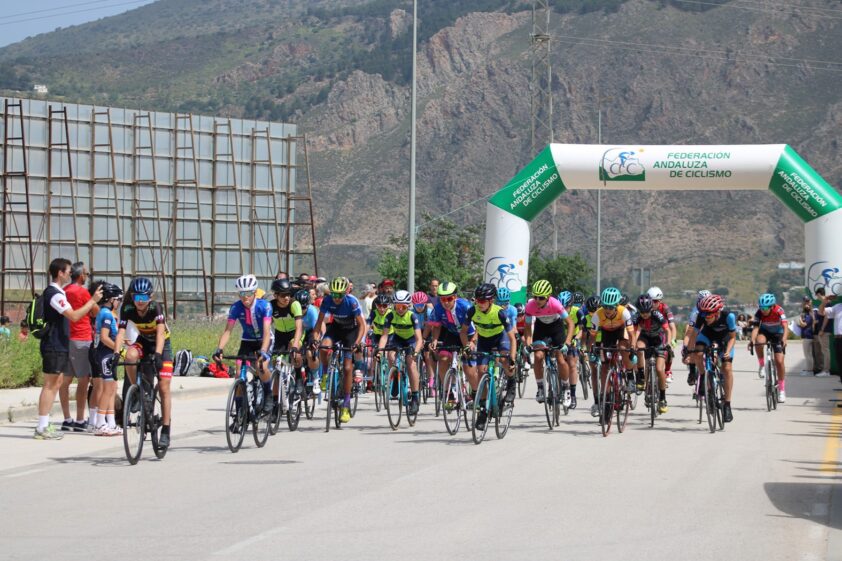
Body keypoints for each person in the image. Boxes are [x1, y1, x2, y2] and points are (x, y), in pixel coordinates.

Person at [33, 258, 103, 440]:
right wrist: (92, 301)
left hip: (60, 344)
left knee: (56, 384)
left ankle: (44, 425)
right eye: (68, 271)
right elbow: (73, 316)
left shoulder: (59, 292)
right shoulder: (55, 294)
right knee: (50, 385)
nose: (70, 274)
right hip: (54, 344)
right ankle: (42, 427)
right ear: (60, 273)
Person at [111, 277, 175, 449]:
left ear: (150, 297)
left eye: (144, 298)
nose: (140, 302)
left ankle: (166, 430)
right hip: (144, 341)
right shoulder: (127, 308)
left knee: (163, 386)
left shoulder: (156, 308)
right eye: (136, 298)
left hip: (162, 344)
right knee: (130, 356)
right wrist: (116, 353)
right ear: (132, 297)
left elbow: (161, 335)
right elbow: (120, 333)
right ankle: (136, 391)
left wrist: (159, 356)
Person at [213, 274, 276, 417]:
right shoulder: (236, 307)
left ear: (254, 292)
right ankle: (240, 412)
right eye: (241, 294)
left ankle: (268, 395)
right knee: (238, 373)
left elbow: (267, 332)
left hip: (264, 340)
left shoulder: (264, 306)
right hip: (247, 340)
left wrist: (264, 351)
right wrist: (219, 349)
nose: (245, 297)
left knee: (262, 366)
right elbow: (228, 331)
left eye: (248, 293)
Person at [462, 283, 517, 430]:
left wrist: (512, 357)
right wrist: (467, 345)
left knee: (505, 361)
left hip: (501, 338)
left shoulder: (500, 313)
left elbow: (512, 339)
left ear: (491, 300)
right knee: (481, 372)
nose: (478, 304)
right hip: (484, 341)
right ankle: (484, 411)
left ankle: (511, 383)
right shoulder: (472, 311)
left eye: (482, 301)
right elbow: (463, 331)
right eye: (477, 300)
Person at [312, 276, 367, 423]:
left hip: (351, 331)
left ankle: (346, 404)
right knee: (323, 348)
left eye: (340, 295)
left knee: (348, 368)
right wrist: (315, 339)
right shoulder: (328, 300)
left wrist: (357, 343)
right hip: (336, 328)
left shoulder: (352, 302)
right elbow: (318, 323)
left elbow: (362, 326)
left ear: (345, 293)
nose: (336, 298)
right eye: (334, 294)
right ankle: (325, 375)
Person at [59, 262, 99, 432]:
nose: (87, 277)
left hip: (66, 338)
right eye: (87, 274)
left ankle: (67, 418)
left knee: (65, 380)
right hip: (82, 338)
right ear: (81, 275)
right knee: (83, 380)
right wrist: (94, 301)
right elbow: (95, 311)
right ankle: (80, 419)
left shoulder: (65, 290)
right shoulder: (81, 291)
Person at [685, 294, 737, 423]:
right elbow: (694, 335)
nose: (705, 317)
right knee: (698, 353)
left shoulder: (728, 316)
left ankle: (727, 405)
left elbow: (732, 337)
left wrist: (728, 352)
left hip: (725, 339)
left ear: (717, 311)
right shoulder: (702, 316)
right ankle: (703, 375)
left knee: (727, 368)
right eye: (703, 314)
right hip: (707, 336)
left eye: (708, 314)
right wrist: (690, 353)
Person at [523, 280, 575, 408]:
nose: (537, 300)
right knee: (538, 356)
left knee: (560, 358)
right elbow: (528, 327)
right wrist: (529, 344)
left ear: (548, 297)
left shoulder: (556, 304)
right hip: (541, 329)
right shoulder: (530, 306)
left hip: (556, 329)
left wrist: (567, 343)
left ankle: (565, 387)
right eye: (535, 297)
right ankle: (540, 387)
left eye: (541, 298)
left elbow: (570, 324)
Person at [589, 287, 636, 417]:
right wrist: (592, 350)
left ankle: (630, 376)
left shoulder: (624, 312)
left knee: (622, 348)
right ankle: (606, 394)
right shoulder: (597, 315)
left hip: (621, 331)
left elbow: (632, 334)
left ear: (616, 305)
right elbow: (592, 337)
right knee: (604, 366)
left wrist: (632, 347)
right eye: (605, 306)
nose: (608, 310)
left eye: (611, 307)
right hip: (606, 334)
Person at [378, 290, 424, 415]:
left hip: (411, 341)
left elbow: (419, 339)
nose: (400, 309)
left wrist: (415, 352)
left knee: (411, 364)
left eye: (403, 306)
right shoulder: (390, 315)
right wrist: (379, 351)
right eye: (397, 306)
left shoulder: (412, 316)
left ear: (408, 306)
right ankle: (395, 378)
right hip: (397, 339)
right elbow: (384, 336)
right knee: (390, 356)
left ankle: (414, 397)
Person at [92, 283, 124, 436]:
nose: (119, 303)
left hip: (108, 354)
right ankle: (99, 423)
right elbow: (104, 338)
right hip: (105, 354)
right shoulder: (106, 314)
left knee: (112, 388)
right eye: (119, 299)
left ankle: (110, 422)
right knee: (107, 389)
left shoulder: (106, 312)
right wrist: (119, 350)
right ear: (112, 299)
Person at [633, 295, 670, 414]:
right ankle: (641, 376)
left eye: (647, 312)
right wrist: (632, 345)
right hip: (645, 338)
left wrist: (668, 344)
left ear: (651, 309)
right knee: (638, 348)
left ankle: (663, 398)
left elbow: (667, 330)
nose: (644, 314)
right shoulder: (637, 317)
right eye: (642, 312)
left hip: (658, 339)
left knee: (659, 369)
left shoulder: (657, 315)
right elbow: (633, 332)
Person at [750, 293, 788, 402]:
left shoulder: (779, 310)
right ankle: (762, 365)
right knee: (759, 342)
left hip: (778, 334)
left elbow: (785, 326)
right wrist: (752, 340)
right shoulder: (759, 313)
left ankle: (781, 390)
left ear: (772, 306)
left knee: (779, 362)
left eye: (765, 308)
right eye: (761, 307)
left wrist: (784, 339)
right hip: (765, 332)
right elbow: (756, 328)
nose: (763, 310)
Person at [818, 293, 842, 380]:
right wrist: (825, 300)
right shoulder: (838, 307)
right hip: (839, 339)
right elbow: (821, 312)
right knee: (840, 361)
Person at [816, 287, 833, 376]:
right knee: (824, 350)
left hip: (825, 330)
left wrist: (822, 329)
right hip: (823, 330)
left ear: (819, 294)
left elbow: (827, 316)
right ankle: (825, 370)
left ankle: (826, 370)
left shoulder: (827, 303)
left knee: (825, 350)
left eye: (817, 295)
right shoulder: (826, 302)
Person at [797, 302, 817, 375]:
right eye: (805, 304)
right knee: (808, 354)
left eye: (808, 305)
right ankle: (808, 369)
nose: (806, 306)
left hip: (808, 336)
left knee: (808, 354)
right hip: (807, 336)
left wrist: (799, 319)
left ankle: (810, 370)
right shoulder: (806, 314)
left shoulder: (809, 315)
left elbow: (804, 324)